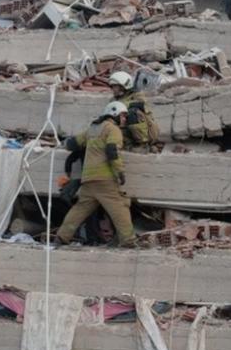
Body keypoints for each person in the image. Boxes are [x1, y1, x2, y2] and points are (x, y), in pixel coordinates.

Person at [56, 101, 134, 247]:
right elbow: (112, 150)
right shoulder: (113, 129)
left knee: (79, 210)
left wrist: (61, 143)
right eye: (123, 116)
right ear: (114, 113)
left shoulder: (93, 128)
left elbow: (73, 143)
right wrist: (119, 172)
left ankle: (61, 237)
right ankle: (129, 241)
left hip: (88, 179)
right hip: (105, 179)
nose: (124, 119)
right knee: (120, 207)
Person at [108, 71, 159, 151]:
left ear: (123, 86)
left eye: (115, 86)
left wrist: (119, 106)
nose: (113, 89)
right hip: (126, 132)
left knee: (132, 113)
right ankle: (126, 143)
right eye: (112, 87)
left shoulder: (137, 95)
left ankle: (143, 145)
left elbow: (141, 105)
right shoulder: (113, 100)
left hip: (149, 132)